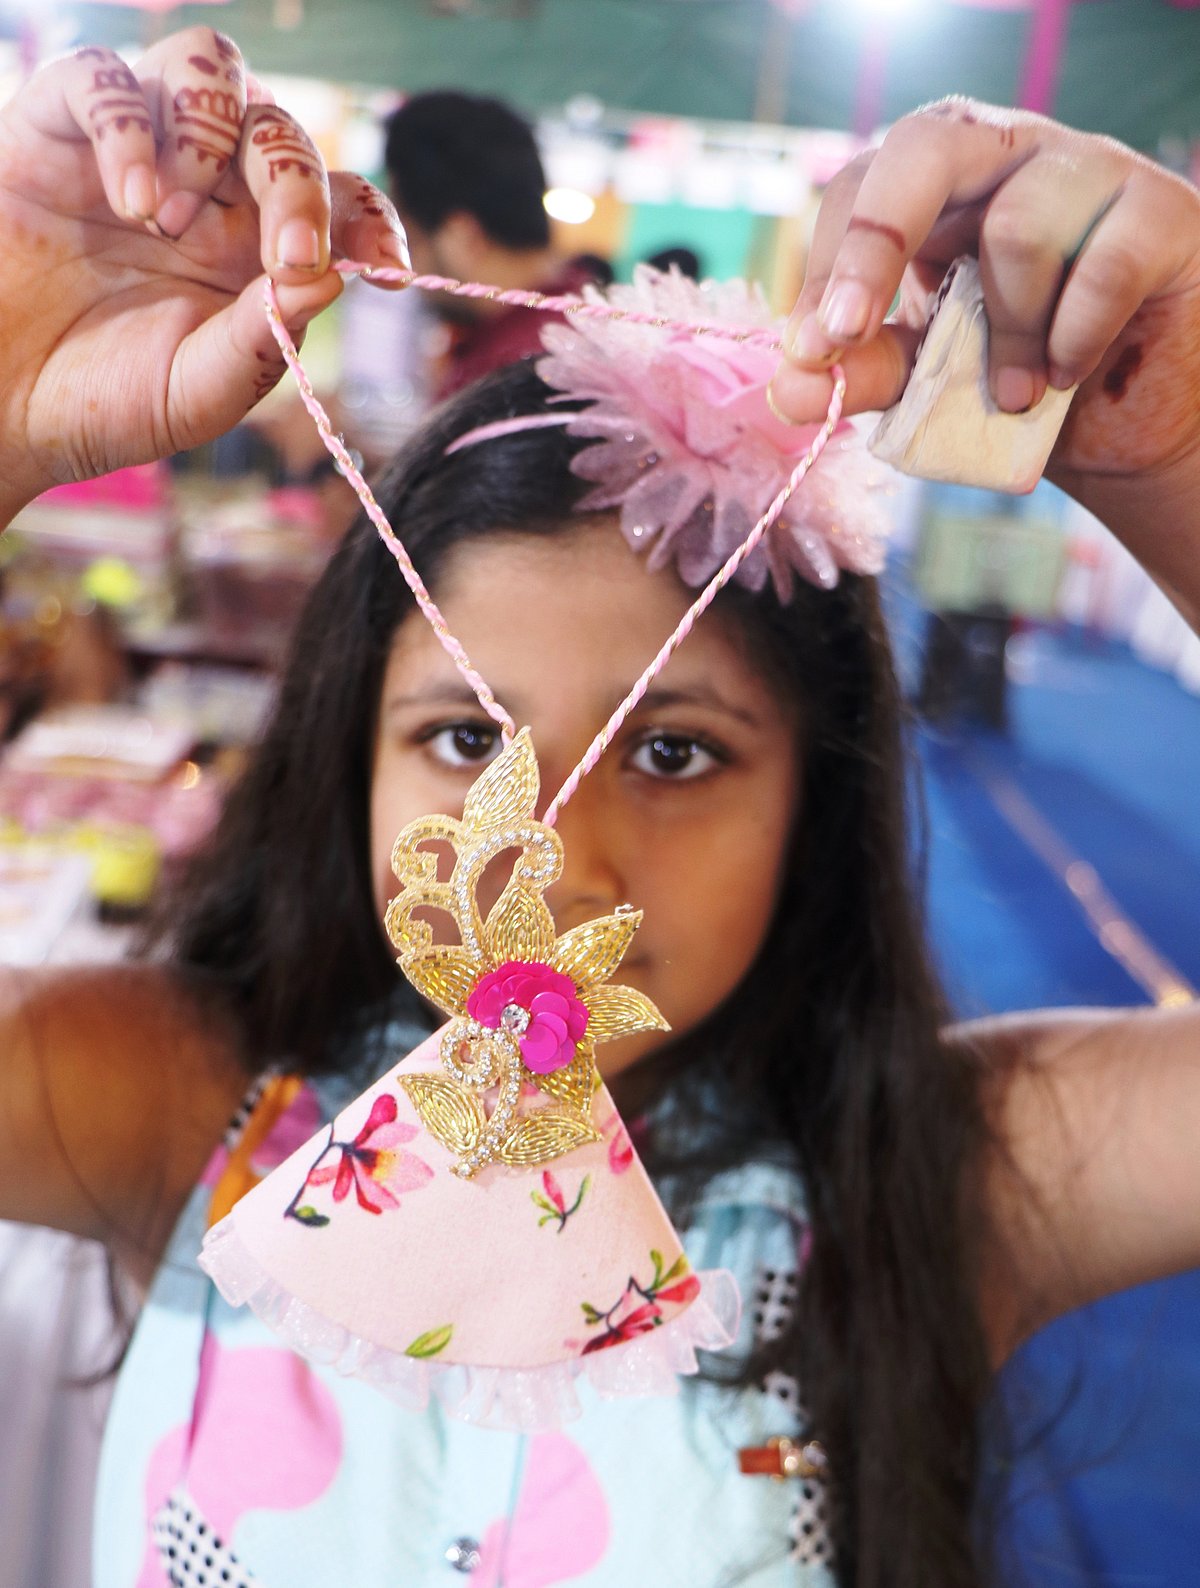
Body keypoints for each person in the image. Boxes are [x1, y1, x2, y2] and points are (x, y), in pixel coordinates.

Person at [1, 36, 1199, 1586]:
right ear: (343, 755)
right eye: (459, 739)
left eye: (677, 754)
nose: (552, 862)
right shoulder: (174, 1107)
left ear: (814, 798)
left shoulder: (937, 1179)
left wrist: (1178, 457)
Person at [383, 89, 594, 396]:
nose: (404, 270)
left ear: (463, 237)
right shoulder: (576, 321)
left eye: (410, 243)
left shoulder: (514, 373)